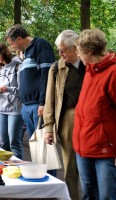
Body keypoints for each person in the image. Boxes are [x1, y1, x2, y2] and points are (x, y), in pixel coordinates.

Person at [73, 28, 116, 199]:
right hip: (83, 147)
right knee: (89, 194)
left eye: (79, 52)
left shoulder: (112, 73)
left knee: (106, 196)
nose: (78, 56)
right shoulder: (90, 71)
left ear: (89, 52)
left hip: (105, 150)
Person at [43, 30, 85, 200]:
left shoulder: (90, 64)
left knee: (92, 166)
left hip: (92, 120)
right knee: (70, 168)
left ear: (76, 48)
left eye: (63, 50)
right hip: (68, 118)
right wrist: (48, 127)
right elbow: (49, 100)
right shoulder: (56, 68)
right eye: (58, 50)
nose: (60, 54)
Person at [5, 24, 55, 138]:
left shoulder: (40, 45)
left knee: (43, 144)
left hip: (38, 105)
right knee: (34, 145)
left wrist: (43, 103)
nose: (12, 47)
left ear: (19, 39)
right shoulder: (26, 52)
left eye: (12, 44)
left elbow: (46, 74)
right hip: (27, 105)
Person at [0, 42, 24, 159]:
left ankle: (19, 168)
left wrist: (8, 89)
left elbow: (22, 90)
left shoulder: (17, 67)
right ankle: (6, 169)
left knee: (14, 142)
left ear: (4, 53)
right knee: (3, 143)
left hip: (15, 109)